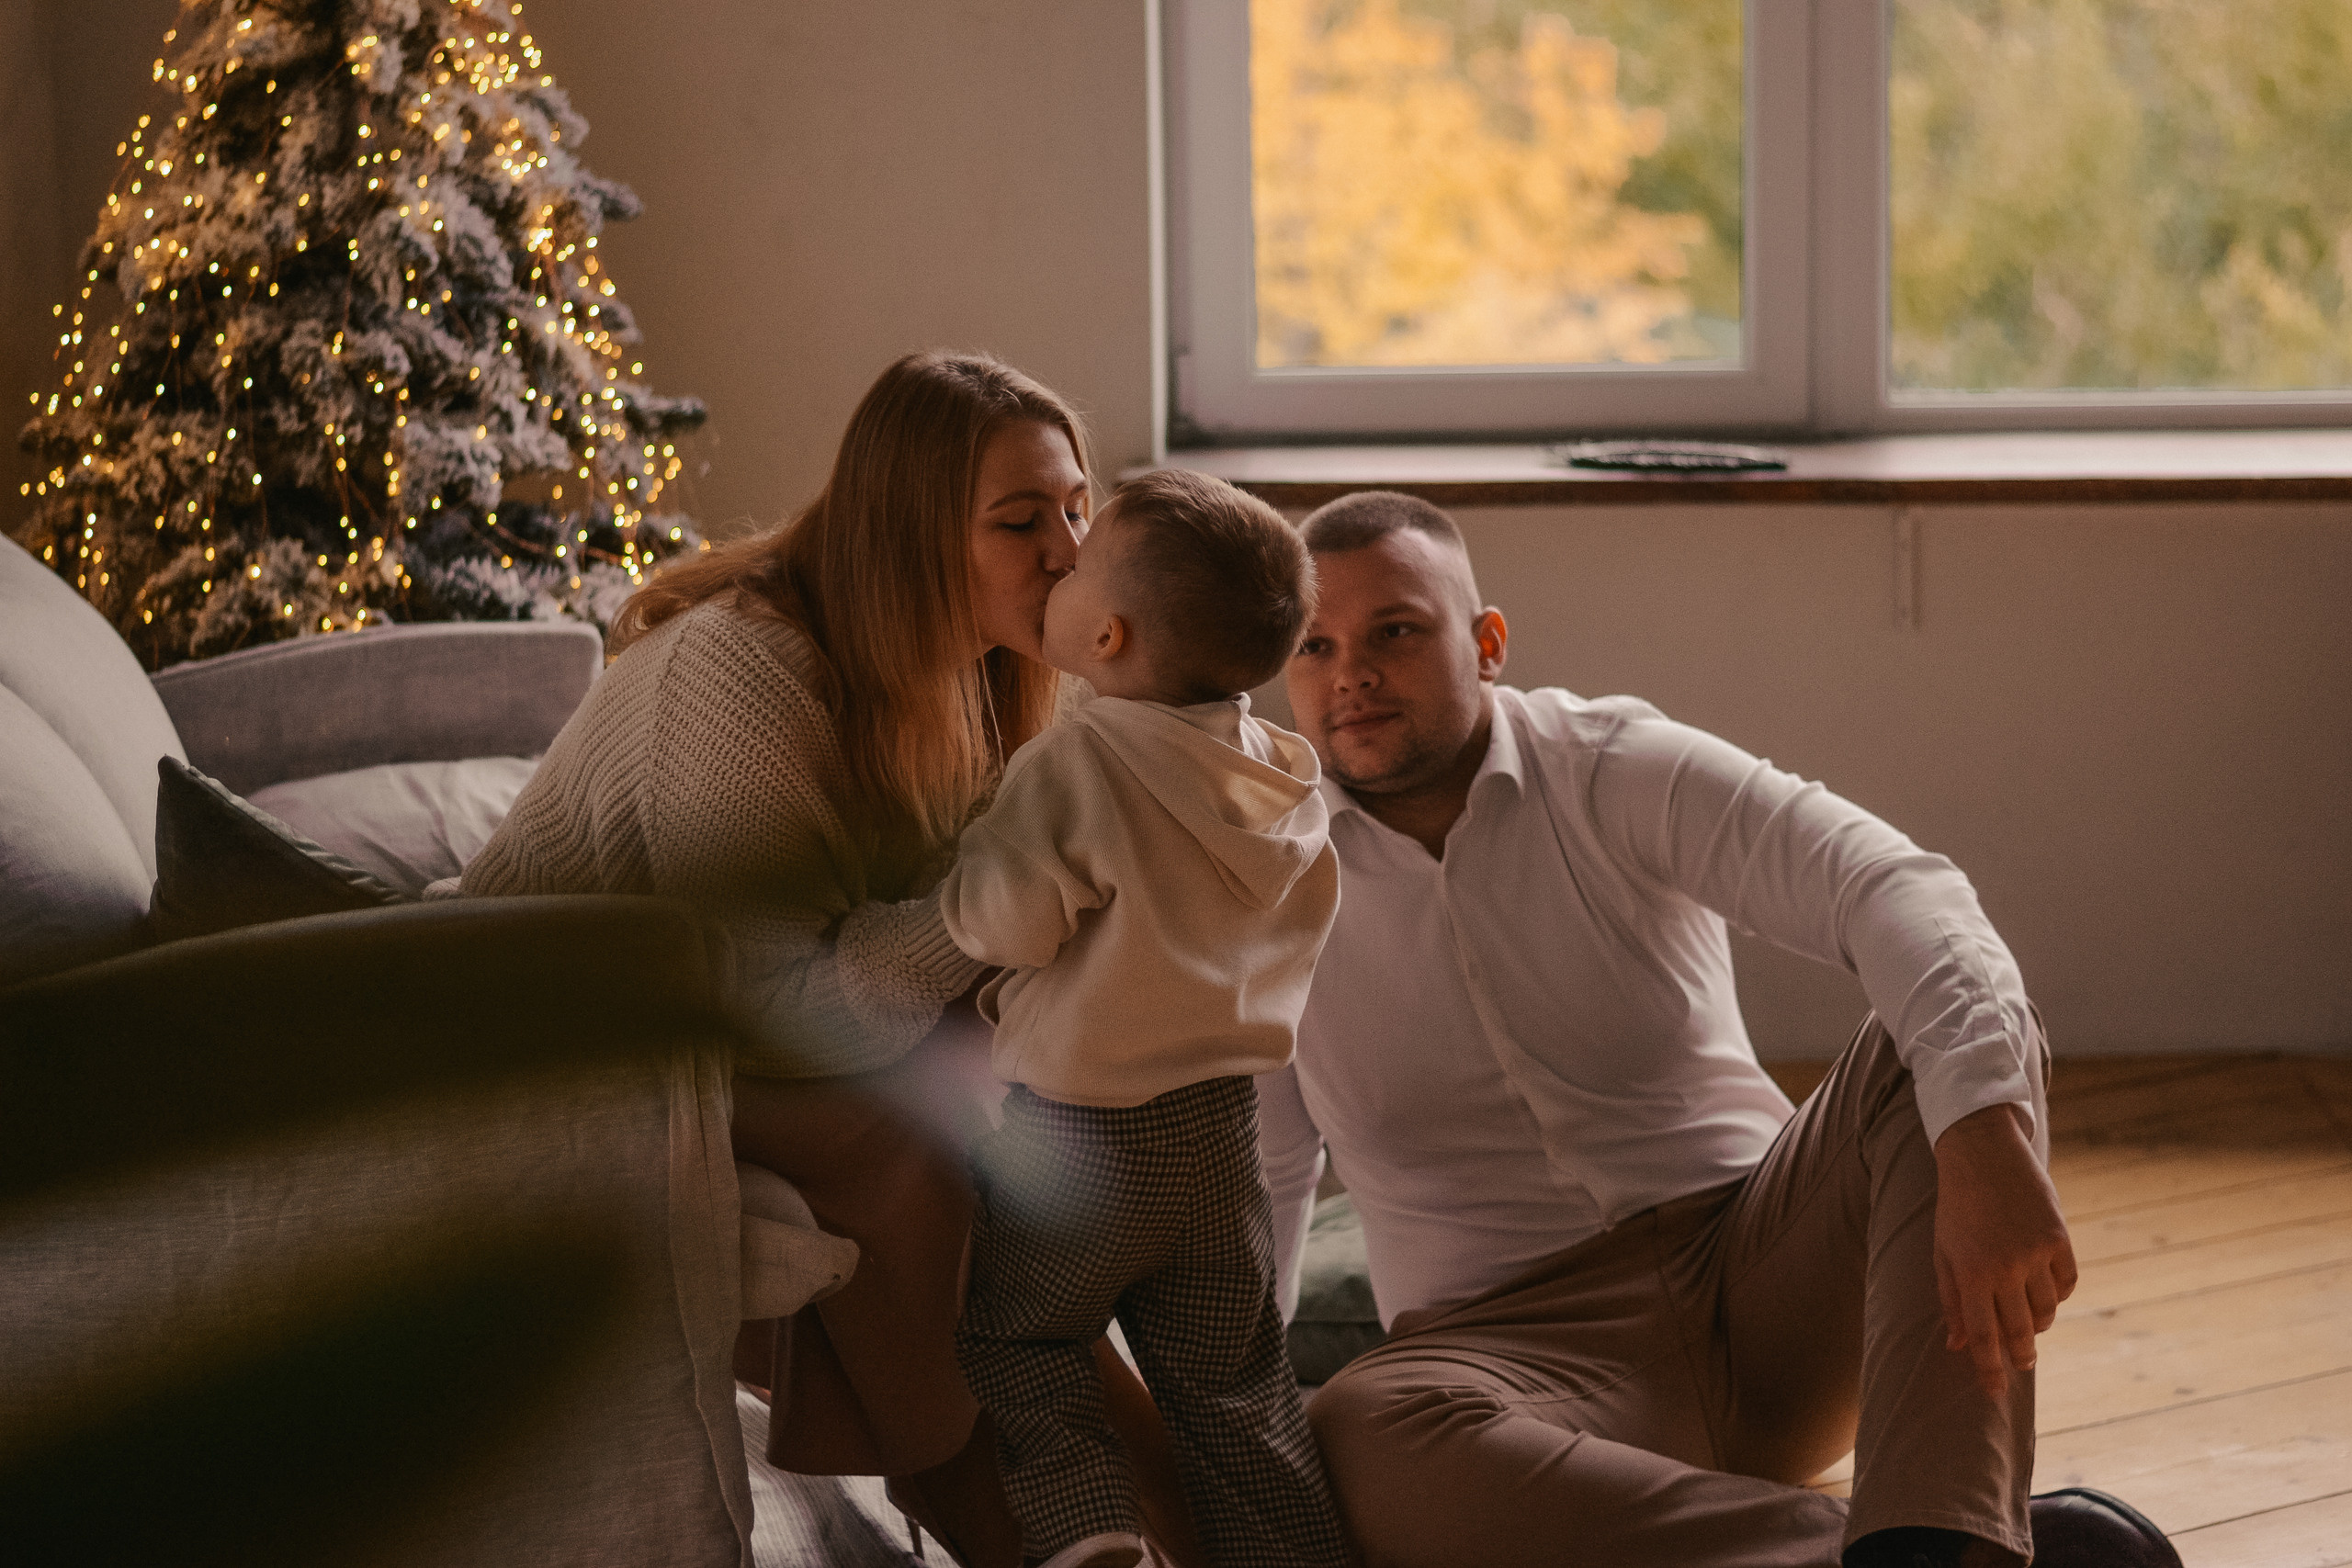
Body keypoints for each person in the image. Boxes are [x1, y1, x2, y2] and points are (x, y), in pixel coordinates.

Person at [1258, 491, 2183, 1568]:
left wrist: (1983, 1127)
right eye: (1313, 646)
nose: (1350, 673)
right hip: (1514, 1360)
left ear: (1487, 643)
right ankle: (1914, 1552)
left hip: (1766, 1282)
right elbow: (1268, 1170)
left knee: (1943, 1039)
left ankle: (1930, 1529)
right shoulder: (1264, 883)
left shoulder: (1612, 765)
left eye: (1395, 632)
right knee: (1361, 1431)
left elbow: (1888, 885)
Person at [457, 352, 1200, 1568]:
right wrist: (992, 911)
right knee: (937, 1131)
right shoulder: (746, 670)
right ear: (908, 539)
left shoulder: (989, 670)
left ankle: (1156, 1503)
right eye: (1020, 522)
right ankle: (1026, 1513)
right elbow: (787, 1003)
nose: (1070, 549)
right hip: (568, 1063)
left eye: (1076, 507)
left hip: (737, 1030)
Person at [939, 470, 1351, 1568]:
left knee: (1016, 1339)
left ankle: (1093, 1529)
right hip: (1222, 1140)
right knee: (1238, 1388)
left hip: (1078, 1136)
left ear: (1105, 635)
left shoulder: (1076, 763)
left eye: (1074, 569)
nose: (1057, 565)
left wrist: (960, 856)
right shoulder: (1280, 778)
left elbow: (999, 927)